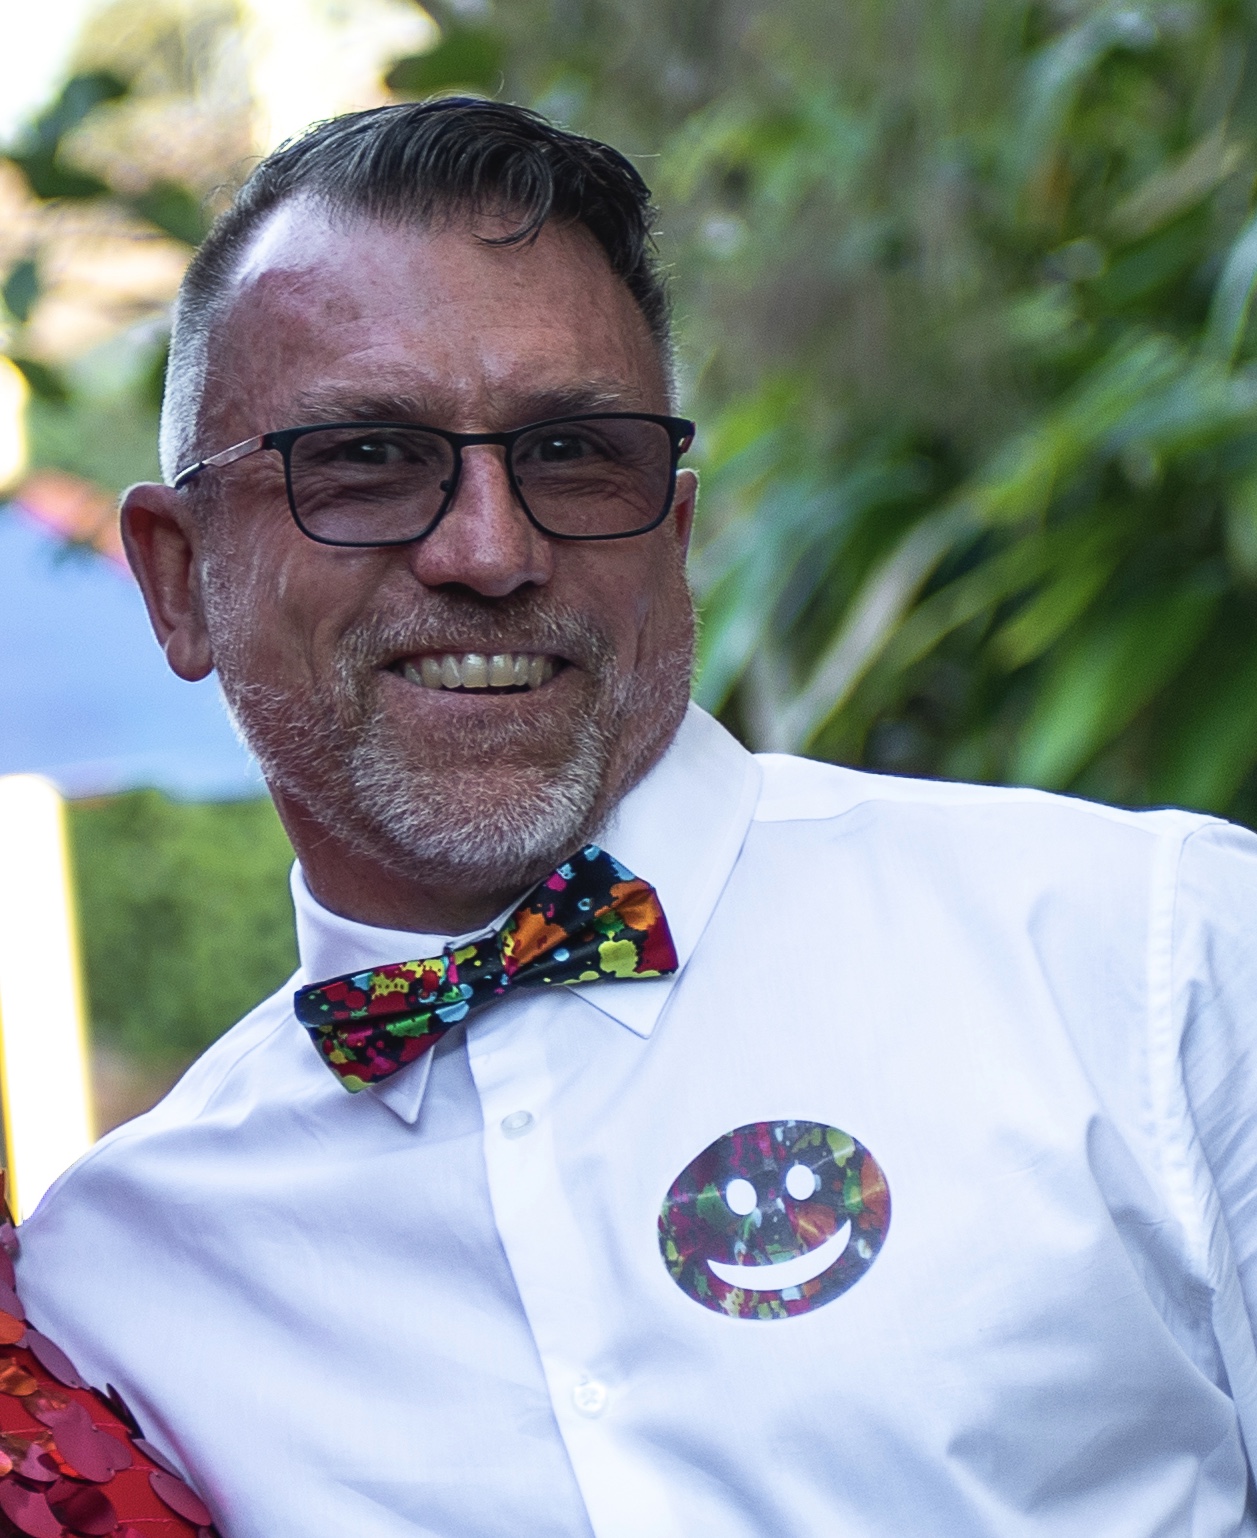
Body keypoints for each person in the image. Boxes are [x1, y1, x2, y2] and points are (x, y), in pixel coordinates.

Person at [14, 96, 1257, 1538]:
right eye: (366, 459)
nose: (490, 549)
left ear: (672, 532)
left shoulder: (1150, 958)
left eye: (571, 455)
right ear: (177, 581)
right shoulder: (121, 1286)